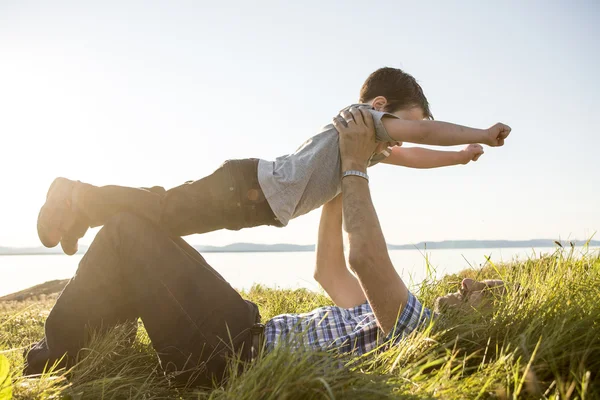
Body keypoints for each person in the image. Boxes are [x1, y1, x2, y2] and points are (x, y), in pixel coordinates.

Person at [25, 108, 507, 387]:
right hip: (237, 333)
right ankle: (86, 347)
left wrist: (357, 163)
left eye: (481, 292)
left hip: (234, 353)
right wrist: (342, 180)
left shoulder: (415, 327)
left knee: (129, 231)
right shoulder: (377, 315)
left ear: (477, 329)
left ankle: (47, 362)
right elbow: (329, 271)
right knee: (139, 229)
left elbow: (363, 258)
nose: (467, 281)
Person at [36, 67, 509, 256]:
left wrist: (456, 160)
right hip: (247, 188)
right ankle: (74, 194)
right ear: (383, 106)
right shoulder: (365, 121)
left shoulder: (370, 146)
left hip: (252, 200)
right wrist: (481, 134)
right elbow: (423, 134)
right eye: (409, 119)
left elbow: (412, 154)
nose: (407, 132)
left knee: (164, 220)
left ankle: (82, 212)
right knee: (162, 208)